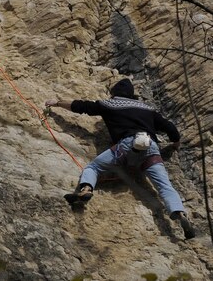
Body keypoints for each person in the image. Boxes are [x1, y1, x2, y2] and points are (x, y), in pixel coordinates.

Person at [45, 78, 196, 239]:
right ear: (132, 95)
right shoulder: (147, 109)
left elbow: (81, 106)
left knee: (93, 168)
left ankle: (86, 189)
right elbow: (170, 127)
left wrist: (57, 103)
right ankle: (179, 213)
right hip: (150, 148)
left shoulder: (110, 105)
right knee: (165, 186)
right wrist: (176, 142)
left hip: (126, 147)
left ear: (114, 93)